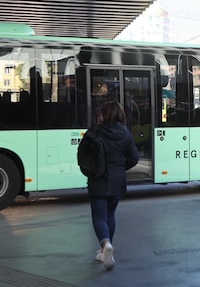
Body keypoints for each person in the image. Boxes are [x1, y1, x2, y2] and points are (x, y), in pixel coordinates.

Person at [88, 100, 139, 270]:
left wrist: (91, 171)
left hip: (98, 179)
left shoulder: (95, 131)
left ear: (103, 114)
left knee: (99, 217)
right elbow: (134, 158)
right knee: (110, 215)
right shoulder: (125, 133)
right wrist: (119, 168)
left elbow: (83, 156)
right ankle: (105, 250)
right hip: (117, 180)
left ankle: (105, 244)